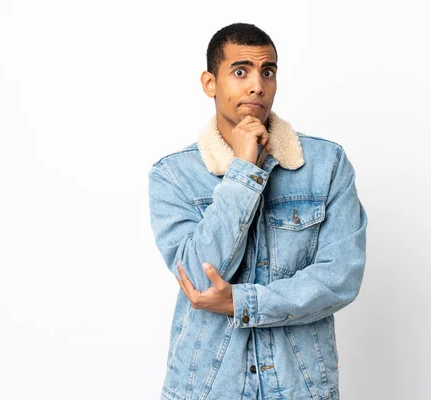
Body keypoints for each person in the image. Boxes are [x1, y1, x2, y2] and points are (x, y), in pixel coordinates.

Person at [148, 22, 367, 400]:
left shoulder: (326, 164)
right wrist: (244, 173)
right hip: (207, 388)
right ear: (209, 83)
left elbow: (341, 276)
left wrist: (244, 302)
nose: (257, 85)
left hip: (300, 386)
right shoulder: (173, 175)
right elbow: (198, 280)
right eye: (240, 71)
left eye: (268, 72)